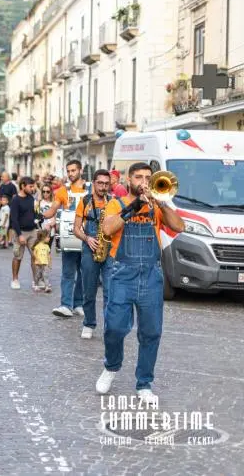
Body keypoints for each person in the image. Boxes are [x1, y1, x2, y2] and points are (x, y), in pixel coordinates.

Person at [96, 162, 185, 404]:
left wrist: (162, 203)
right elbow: (107, 229)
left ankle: (144, 382)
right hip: (122, 274)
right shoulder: (116, 203)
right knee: (114, 328)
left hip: (151, 277)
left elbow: (179, 226)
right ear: (128, 180)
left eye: (148, 177)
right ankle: (112, 366)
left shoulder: (157, 206)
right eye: (139, 177)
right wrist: (135, 206)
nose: (144, 182)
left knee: (151, 332)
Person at [42, 160, 89, 318]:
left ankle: (79, 304)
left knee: (84, 273)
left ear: (80, 170)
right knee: (68, 272)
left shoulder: (91, 189)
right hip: (69, 236)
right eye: (68, 171)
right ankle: (66, 305)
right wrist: (41, 214)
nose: (70, 174)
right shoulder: (62, 191)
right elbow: (54, 209)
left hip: (87, 235)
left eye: (73, 170)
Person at [73, 169, 113, 339]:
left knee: (110, 291)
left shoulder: (113, 202)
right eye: (100, 183)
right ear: (94, 183)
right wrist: (87, 238)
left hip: (110, 250)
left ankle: (110, 326)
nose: (103, 187)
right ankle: (89, 323)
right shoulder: (85, 201)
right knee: (89, 290)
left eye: (106, 184)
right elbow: (75, 228)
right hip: (90, 249)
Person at [9, 177, 38, 290]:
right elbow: (14, 219)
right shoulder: (15, 200)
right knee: (18, 256)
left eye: (33, 186)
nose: (32, 188)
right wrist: (20, 235)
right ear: (23, 186)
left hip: (32, 231)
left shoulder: (31, 198)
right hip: (20, 232)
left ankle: (36, 280)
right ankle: (15, 279)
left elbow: (33, 214)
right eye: (30, 186)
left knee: (36, 256)